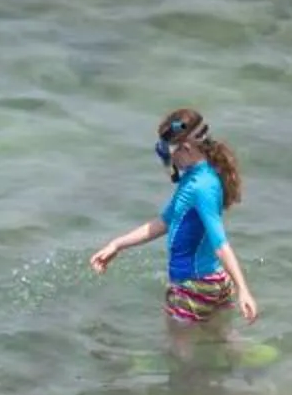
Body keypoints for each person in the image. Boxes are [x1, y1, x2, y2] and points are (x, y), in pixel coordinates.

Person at [89, 107, 256, 328]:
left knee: (179, 356)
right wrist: (117, 245)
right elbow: (164, 222)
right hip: (214, 281)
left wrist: (244, 290)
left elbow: (220, 243)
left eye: (167, 153)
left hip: (192, 287)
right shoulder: (201, 176)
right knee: (222, 340)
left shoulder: (201, 186)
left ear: (186, 148)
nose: (168, 161)